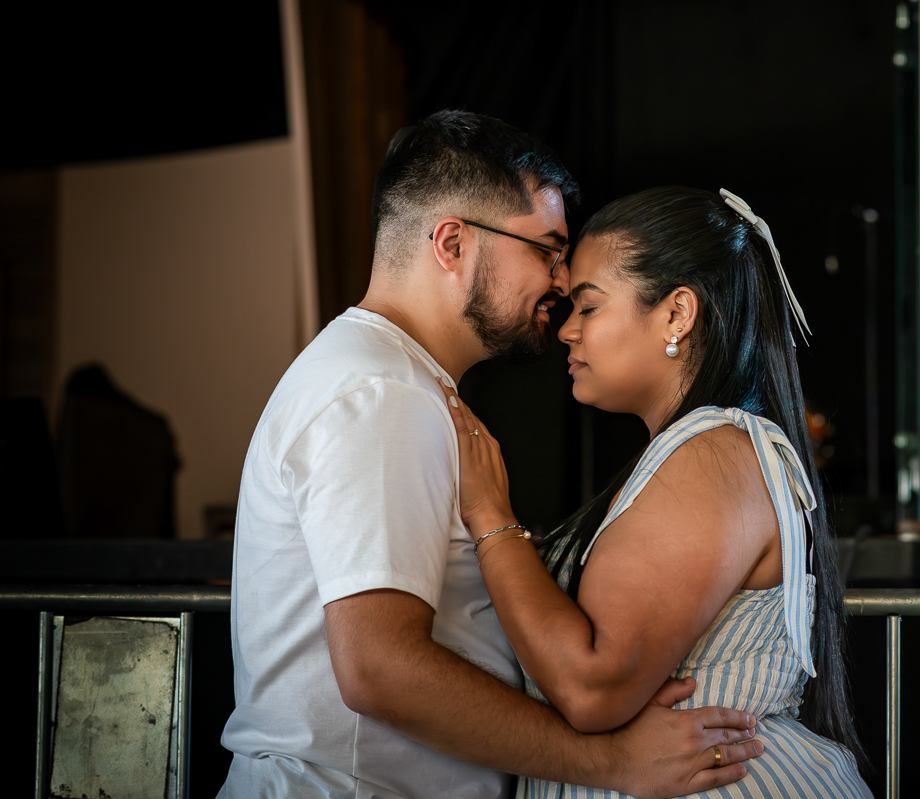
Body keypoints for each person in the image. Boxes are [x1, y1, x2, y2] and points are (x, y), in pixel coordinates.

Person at [218, 112, 763, 798]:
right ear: (451, 242)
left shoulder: (394, 380)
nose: (561, 281)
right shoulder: (381, 390)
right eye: (547, 249)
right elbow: (378, 667)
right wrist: (608, 762)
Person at [443, 186, 873, 797]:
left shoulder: (715, 454)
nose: (566, 331)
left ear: (676, 314)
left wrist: (492, 517)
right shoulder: (696, 453)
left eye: (588, 308)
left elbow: (592, 687)